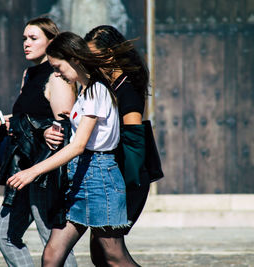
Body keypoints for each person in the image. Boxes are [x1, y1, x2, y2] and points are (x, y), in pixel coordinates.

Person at [7, 31, 139, 267]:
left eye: (58, 67)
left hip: (100, 178)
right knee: (52, 255)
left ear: (74, 59)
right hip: (81, 177)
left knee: (114, 257)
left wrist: (33, 171)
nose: (56, 73)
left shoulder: (97, 90)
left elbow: (79, 146)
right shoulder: (85, 91)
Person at [44, 26, 150, 266]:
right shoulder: (95, 86)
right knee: (98, 255)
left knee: (110, 255)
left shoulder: (125, 88)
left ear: (110, 55)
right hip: (92, 173)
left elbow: (134, 142)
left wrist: (125, 183)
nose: (87, 60)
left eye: (93, 55)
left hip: (117, 174)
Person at [0, 17, 77, 267]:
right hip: (21, 165)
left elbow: (64, 126)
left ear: (51, 41)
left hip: (44, 169)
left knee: (53, 240)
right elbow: (29, 116)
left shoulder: (58, 76)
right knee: (5, 235)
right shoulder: (29, 74)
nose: (26, 43)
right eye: (25, 38)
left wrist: (48, 131)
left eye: (33, 38)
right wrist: (6, 121)